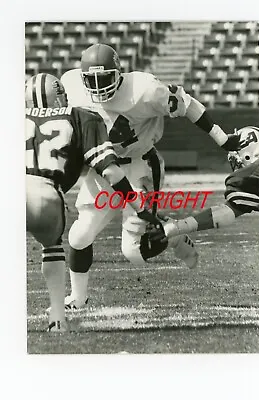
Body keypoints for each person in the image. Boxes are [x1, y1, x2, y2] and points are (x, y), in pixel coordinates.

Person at [60, 43, 242, 309]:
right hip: (101, 167)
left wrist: (221, 137)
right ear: (82, 77)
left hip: (139, 164)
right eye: (92, 79)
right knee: (78, 236)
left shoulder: (145, 90)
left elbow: (188, 104)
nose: (98, 87)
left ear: (119, 73)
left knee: (133, 252)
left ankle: (174, 234)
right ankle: (78, 297)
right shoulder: (71, 85)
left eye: (105, 78)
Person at [25, 72, 164, 331]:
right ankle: (65, 310)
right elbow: (107, 168)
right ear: (59, 98)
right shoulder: (81, 116)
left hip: (17, 190)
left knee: (127, 250)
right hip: (58, 190)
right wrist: (137, 204)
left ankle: (171, 233)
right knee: (65, 242)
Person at [149, 126, 259, 240]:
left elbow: (228, 212)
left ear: (247, 156)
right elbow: (230, 210)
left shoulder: (248, 177)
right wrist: (178, 227)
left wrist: (178, 227)